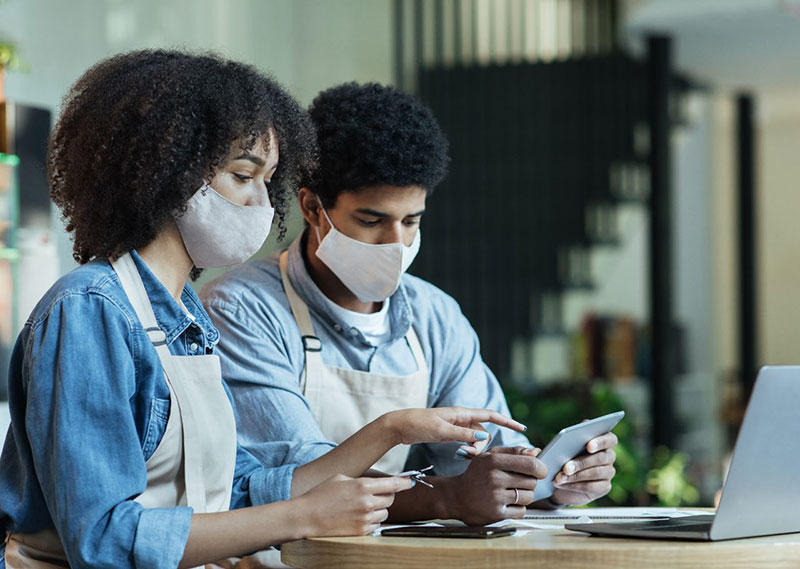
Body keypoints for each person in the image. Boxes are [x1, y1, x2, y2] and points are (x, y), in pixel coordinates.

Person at [0, 53, 526, 569]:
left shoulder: (186, 318)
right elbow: (102, 539)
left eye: (267, 181)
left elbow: (239, 488)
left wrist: (391, 430)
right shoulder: (89, 311)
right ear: (168, 172)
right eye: (243, 176)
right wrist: (299, 518)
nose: (263, 206)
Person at [201, 82, 619, 525]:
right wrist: (449, 499)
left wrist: (552, 480)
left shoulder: (434, 316)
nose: (396, 243)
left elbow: (487, 465)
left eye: (411, 221)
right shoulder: (242, 310)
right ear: (311, 207)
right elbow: (299, 480)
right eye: (371, 220)